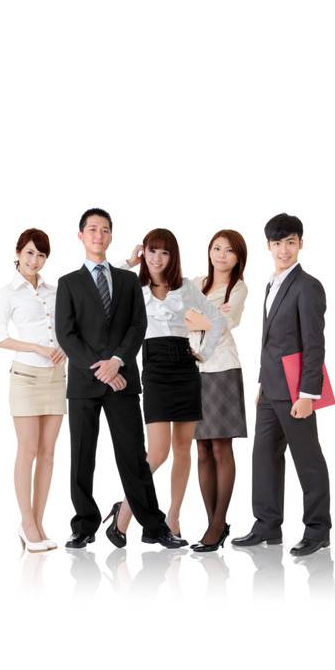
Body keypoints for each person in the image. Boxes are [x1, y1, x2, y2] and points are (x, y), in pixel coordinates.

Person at [54, 208, 187, 550]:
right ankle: (84, 525)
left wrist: (116, 361)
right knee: (82, 457)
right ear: (81, 235)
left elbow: (137, 327)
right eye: (92, 229)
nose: (99, 235)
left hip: (123, 380)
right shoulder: (68, 283)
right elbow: (66, 335)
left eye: (105, 230)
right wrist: (100, 368)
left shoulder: (128, 281)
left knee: (133, 456)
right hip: (85, 383)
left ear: (111, 236)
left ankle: (154, 526)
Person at [110, 228, 225, 543]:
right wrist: (130, 262)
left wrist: (204, 352)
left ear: (172, 256)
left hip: (185, 367)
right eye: (151, 251)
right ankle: (123, 514)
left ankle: (173, 518)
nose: (157, 258)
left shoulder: (185, 287)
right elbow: (100, 281)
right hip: (155, 367)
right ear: (143, 253)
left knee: (182, 449)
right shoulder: (133, 285)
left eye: (164, 252)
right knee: (157, 452)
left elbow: (217, 320)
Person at [233, 213, 331, 556]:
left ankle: (318, 530)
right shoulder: (271, 283)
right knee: (264, 458)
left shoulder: (308, 286)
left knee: (308, 459)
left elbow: (313, 344)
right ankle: (267, 526)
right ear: (269, 246)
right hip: (271, 388)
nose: (284, 250)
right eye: (278, 243)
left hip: (296, 390)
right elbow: (270, 341)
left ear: (301, 244)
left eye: (291, 242)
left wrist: (308, 394)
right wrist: (261, 382)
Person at [0, 228, 65, 552]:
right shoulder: (8, 292)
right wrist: (35, 346)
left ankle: (37, 523)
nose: (35, 260)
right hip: (25, 376)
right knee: (28, 450)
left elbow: (69, 325)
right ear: (19, 252)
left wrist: (63, 346)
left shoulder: (55, 289)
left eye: (41, 255)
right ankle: (26, 520)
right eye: (30, 253)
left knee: (48, 454)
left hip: (56, 377)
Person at [187, 229, 249, 552]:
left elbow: (228, 321)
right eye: (216, 248)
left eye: (229, 250)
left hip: (223, 368)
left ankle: (216, 524)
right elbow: (178, 319)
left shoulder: (237, 288)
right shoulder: (196, 283)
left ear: (238, 257)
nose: (221, 254)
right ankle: (215, 525)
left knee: (221, 448)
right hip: (194, 372)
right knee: (201, 450)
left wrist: (200, 318)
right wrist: (206, 318)